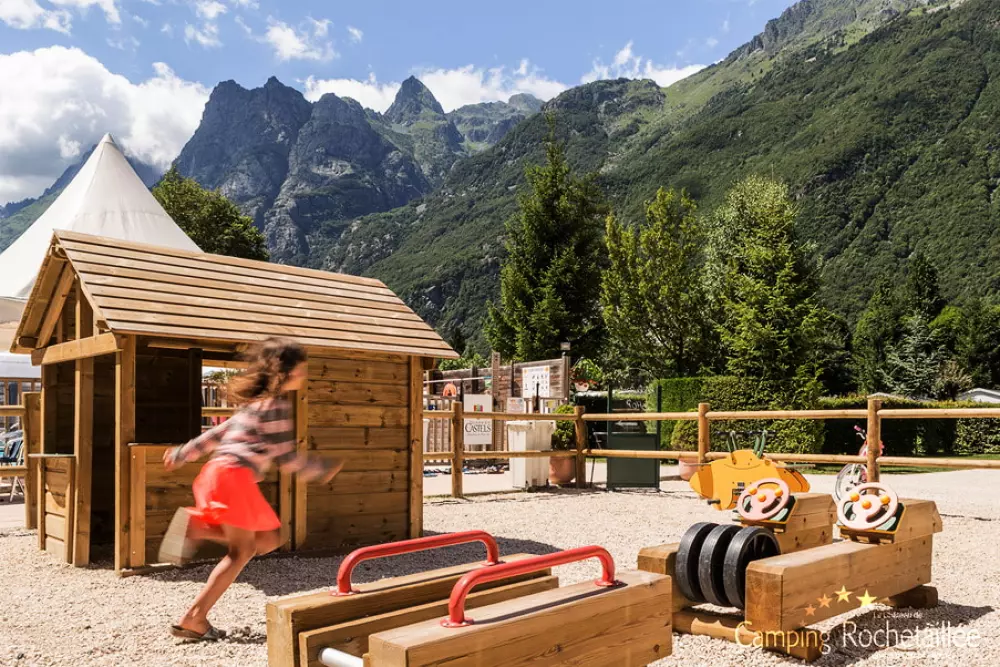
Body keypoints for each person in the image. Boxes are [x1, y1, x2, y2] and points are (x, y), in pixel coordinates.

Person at [159, 337, 344, 641]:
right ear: (286, 371)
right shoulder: (276, 406)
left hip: (217, 474)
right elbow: (286, 458)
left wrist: (182, 453)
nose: (304, 374)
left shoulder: (251, 407)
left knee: (269, 539)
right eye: (301, 368)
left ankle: (200, 532)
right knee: (242, 551)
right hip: (235, 477)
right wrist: (321, 470)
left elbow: (214, 436)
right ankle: (194, 617)